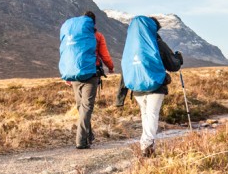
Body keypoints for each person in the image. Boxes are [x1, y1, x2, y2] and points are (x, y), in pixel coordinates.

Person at [124, 16, 182, 157]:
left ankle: (146, 144)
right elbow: (173, 65)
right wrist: (179, 58)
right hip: (155, 85)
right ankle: (147, 144)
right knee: (152, 114)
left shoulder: (131, 44)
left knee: (145, 114)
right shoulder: (156, 43)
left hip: (137, 86)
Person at [73, 11, 113, 149]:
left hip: (74, 75)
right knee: (86, 108)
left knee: (81, 107)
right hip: (91, 74)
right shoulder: (97, 36)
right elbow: (105, 55)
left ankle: (88, 136)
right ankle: (81, 141)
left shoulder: (75, 35)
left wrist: (68, 74)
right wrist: (111, 67)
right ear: (93, 22)